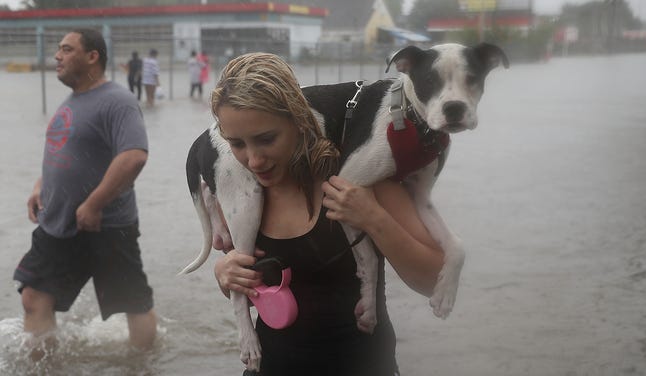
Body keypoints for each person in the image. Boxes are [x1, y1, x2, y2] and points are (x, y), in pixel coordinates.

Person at [212, 53, 446, 375]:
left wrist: (373, 218)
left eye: (266, 139)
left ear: (299, 119)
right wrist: (227, 276)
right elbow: (260, 293)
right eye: (236, 144)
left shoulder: (361, 176)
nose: (253, 160)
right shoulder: (244, 194)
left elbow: (434, 280)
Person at [13, 28, 157, 358]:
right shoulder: (73, 101)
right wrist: (40, 187)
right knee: (34, 296)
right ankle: (44, 364)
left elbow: (134, 155)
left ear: (92, 56)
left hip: (105, 226)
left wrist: (94, 204)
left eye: (66, 49)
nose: (56, 56)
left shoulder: (117, 100)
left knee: (133, 302)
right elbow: (66, 154)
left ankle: (143, 365)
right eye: (58, 50)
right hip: (59, 223)